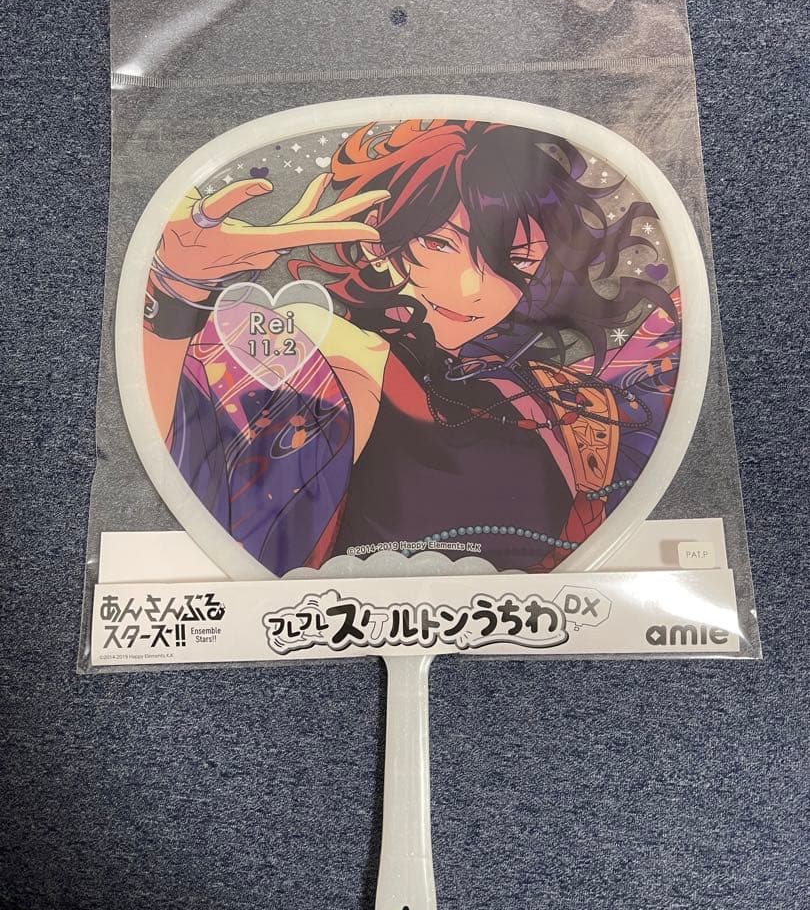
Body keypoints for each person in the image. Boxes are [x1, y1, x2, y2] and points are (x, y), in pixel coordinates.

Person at [143, 119, 680, 575]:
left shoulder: (549, 397)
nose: (472, 289)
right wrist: (176, 295)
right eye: (439, 243)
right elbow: (192, 448)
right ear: (378, 242)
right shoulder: (342, 362)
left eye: (516, 260)